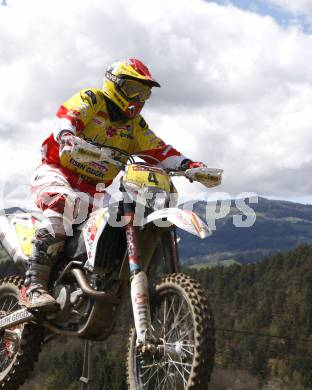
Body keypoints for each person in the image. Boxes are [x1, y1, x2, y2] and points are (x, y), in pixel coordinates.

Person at [24, 58, 206, 310]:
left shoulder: (135, 126)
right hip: (57, 171)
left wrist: (190, 166)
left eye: (144, 94)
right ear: (115, 84)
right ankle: (34, 286)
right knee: (63, 205)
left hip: (95, 188)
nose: (138, 98)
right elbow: (68, 115)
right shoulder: (92, 99)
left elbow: (160, 150)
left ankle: (97, 278)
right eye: (133, 90)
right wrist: (67, 134)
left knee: (123, 220)